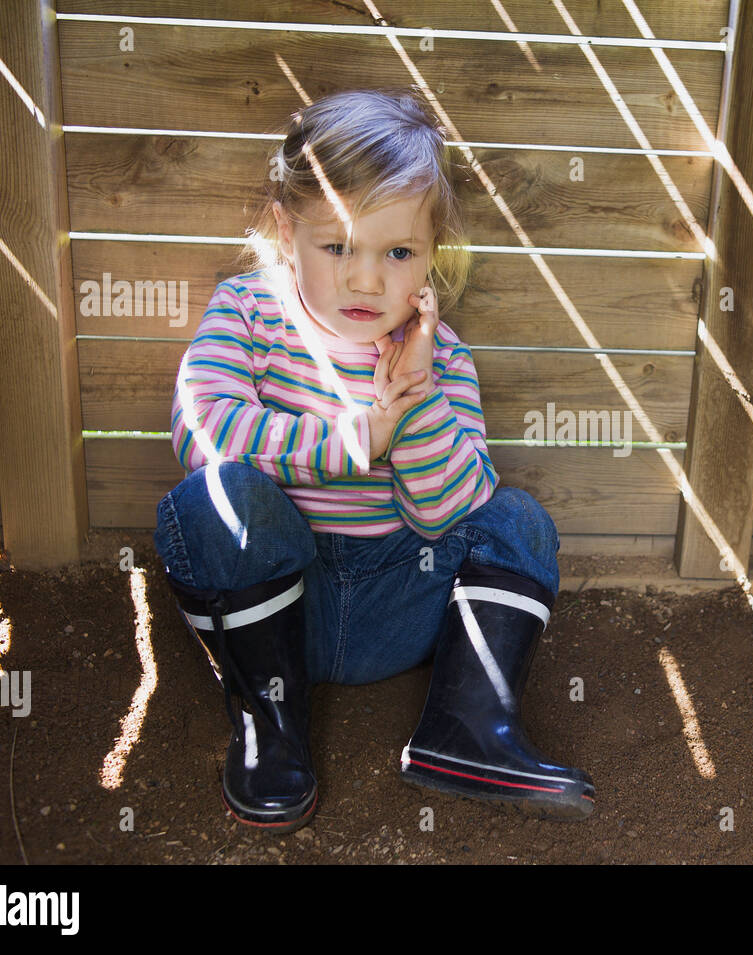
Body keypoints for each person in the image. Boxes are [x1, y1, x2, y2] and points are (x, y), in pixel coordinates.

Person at [151, 88, 594, 832]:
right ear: (286, 234)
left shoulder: (440, 354)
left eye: (398, 252)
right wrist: (348, 442)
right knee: (215, 502)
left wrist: (413, 395)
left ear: (430, 255)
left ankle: (467, 730)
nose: (366, 279)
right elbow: (204, 429)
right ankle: (271, 730)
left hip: (403, 604)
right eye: (338, 247)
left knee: (516, 519)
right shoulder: (248, 312)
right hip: (285, 606)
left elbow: (451, 509)